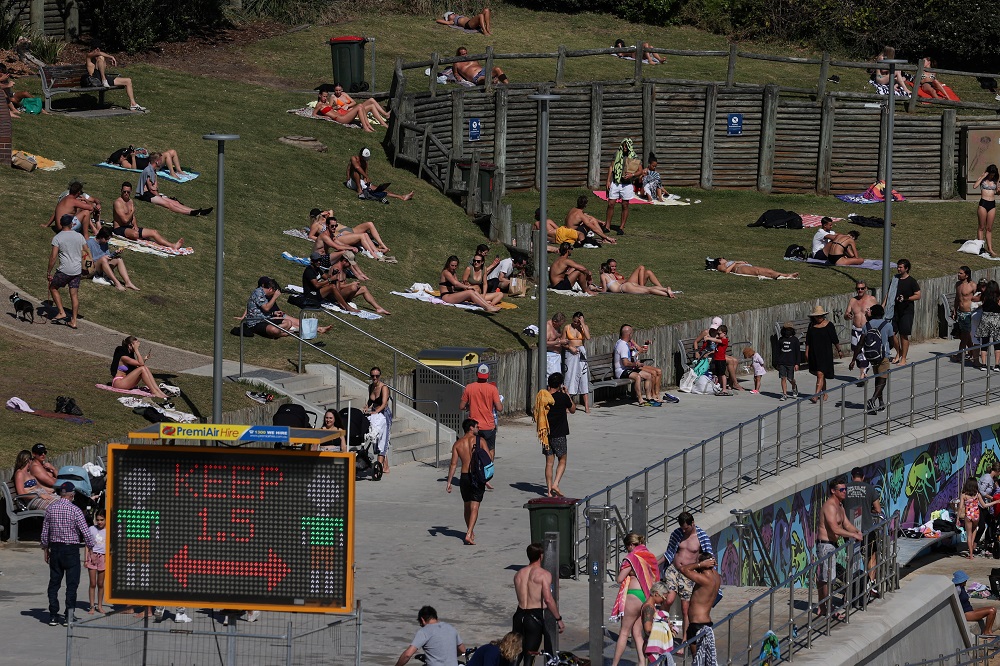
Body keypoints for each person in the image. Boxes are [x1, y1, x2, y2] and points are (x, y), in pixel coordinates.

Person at [41, 482, 96, 626]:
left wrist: (46, 549)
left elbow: (45, 531)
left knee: (54, 582)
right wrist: (91, 549)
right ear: (72, 495)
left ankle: (53, 614)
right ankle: (68, 615)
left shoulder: (50, 509)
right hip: (71, 550)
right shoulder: (75, 510)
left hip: (56, 549)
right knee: (72, 584)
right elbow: (85, 532)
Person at [657, 512, 714, 649]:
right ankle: (663, 631)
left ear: (692, 523)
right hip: (673, 570)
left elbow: (709, 556)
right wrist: (655, 563)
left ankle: (685, 639)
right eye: (682, 528)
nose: (683, 531)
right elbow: (669, 552)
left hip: (687, 574)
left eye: (686, 528)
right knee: (668, 600)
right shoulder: (677, 534)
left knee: (685, 608)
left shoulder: (701, 536)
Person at [816, 476, 863, 618]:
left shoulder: (840, 506)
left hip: (832, 545)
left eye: (845, 489)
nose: (845, 492)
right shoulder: (830, 506)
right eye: (841, 489)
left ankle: (823, 607)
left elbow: (846, 524)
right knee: (829, 578)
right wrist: (853, 535)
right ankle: (828, 609)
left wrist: (856, 531)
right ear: (833, 491)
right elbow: (835, 529)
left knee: (824, 578)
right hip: (825, 546)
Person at [513, 543, 565, 665]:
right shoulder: (543, 574)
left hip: (519, 616)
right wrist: (559, 619)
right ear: (541, 556)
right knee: (529, 656)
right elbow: (548, 599)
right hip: (533, 617)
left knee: (516, 653)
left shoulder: (518, 574)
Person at [611, 533, 659, 666]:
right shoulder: (650, 556)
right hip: (646, 595)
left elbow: (620, 579)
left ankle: (614, 664)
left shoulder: (631, 558)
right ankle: (642, 662)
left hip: (633, 594)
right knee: (637, 632)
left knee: (624, 631)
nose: (628, 550)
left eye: (627, 547)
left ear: (631, 545)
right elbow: (655, 577)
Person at [445, 419, 489, 545]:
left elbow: (453, 464)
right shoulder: (480, 441)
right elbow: (488, 460)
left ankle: (470, 530)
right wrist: (486, 479)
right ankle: (469, 533)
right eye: (476, 426)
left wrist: (449, 482)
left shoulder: (458, 444)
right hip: (477, 476)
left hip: (464, 477)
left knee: (466, 505)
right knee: (475, 506)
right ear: (471, 428)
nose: (478, 428)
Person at [243, 276, 330, 338]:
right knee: (276, 329)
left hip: (268, 317)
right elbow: (265, 308)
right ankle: (286, 332)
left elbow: (260, 309)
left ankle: (317, 328)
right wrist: (274, 297)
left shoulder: (265, 294)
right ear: (270, 289)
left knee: (290, 322)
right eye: (273, 293)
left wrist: (274, 312)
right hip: (257, 322)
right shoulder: (259, 293)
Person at [843, 467, 883, 595]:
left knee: (852, 556)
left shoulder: (845, 488)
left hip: (849, 530)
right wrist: (867, 510)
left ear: (852, 476)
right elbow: (878, 510)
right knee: (871, 555)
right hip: (866, 528)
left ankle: (851, 586)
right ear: (863, 477)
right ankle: (870, 584)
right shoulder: (870, 488)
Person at [111, 182, 185, 250]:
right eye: (124, 192)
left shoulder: (130, 201)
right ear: (121, 191)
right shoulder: (118, 203)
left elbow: (132, 217)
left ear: (131, 192)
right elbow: (125, 220)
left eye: (128, 192)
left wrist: (135, 225)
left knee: (154, 232)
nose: (126, 193)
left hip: (128, 227)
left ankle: (172, 245)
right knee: (135, 235)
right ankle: (141, 235)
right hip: (119, 228)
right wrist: (133, 211)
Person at [47, 214, 89, 329]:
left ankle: (61, 312)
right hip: (76, 270)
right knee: (74, 295)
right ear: (71, 224)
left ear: (61, 224)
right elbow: (86, 252)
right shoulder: (79, 236)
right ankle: (74, 320)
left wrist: (49, 271)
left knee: (53, 287)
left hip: (65, 270)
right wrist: (87, 267)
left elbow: (53, 257)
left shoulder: (58, 237)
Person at [136, 153, 211, 216]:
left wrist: (158, 192)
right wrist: (160, 196)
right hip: (145, 195)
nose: (162, 162)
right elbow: (152, 189)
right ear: (157, 161)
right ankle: (189, 212)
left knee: (174, 202)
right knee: (168, 204)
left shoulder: (152, 170)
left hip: (151, 193)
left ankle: (198, 211)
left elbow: (155, 186)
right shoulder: (149, 171)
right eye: (161, 160)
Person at [677, 551, 721, 657]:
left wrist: (701, 564)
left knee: (697, 659)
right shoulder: (716, 577)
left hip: (697, 624)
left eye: (697, 562)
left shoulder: (705, 579)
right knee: (706, 659)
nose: (696, 563)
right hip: (707, 623)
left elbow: (683, 569)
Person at [84, 40, 145, 111]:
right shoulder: (89, 57)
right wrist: (111, 57)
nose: (99, 50)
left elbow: (100, 56)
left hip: (104, 78)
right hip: (95, 79)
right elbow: (99, 54)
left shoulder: (99, 59)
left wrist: (106, 61)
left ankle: (133, 104)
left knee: (128, 81)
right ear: (94, 49)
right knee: (101, 57)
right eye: (97, 49)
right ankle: (104, 80)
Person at [394, 605, 466, 666]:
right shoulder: (450, 628)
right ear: (436, 617)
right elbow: (462, 650)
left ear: (422, 620)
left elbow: (407, 655)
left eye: (421, 624)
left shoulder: (424, 631)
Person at [459, 364, 503, 460]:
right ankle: (488, 470)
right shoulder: (492, 389)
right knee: (490, 449)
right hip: (488, 426)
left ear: (476, 374)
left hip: (473, 426)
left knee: (473, 449)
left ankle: (474, 470)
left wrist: (469, 406)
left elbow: (461, 406)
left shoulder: (469, 388)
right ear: (488, 374)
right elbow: (499, 408)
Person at [541, 371, 574, 497]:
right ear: (560, 384)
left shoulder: (544, 397)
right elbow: (573, 409)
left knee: (549, 462)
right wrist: (567, 394)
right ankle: (555, 483)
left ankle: (549, 491)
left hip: (546, 434)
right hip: (559, 433)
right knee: (562, 460)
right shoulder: (562, 397)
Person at [614, 324, 662, 406]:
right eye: (631, 333)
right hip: (621, 371)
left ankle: (649, 397)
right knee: (638, 376)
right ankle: (640, 399)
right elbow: (625, 363)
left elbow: (635, 353)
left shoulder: (625, 344)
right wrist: (636, 364)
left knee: (648, 375)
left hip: (628, 368)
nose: (632, 335)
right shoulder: (622, 345)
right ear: (629, 335)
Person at [346, 147, 413, 201]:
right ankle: (359, 190)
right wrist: (366, 177)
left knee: (378, 189)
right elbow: (357, 167)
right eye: (364, 158)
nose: (365, 160)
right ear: (360, 155)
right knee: (356, 171)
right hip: (351, 182)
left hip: (359, 182)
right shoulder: (354, 158)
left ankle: (401, 197)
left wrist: (367, 182)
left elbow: (365, 177)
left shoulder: (365, 163)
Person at [805, 305, 841, 402]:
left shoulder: (829, 325)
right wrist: (807, 352)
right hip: (814, 353)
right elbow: (808, 340)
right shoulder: (811, 326)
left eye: (821, 316)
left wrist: (839, 350)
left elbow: (835, 339)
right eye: (817, 316)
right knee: (820, 374)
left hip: (825, 354)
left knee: (820, 374)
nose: (819, 318)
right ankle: (824, 393)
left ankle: (816, 395)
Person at [864, 304, 894, 414]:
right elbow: (891, 342)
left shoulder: (867, 325)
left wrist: (853, 359)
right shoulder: (887, 325)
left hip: (872, 357)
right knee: (883, 380)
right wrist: (887, 349)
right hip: (883, 356)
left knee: (878, 378)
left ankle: (881, 402)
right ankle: (872, 400)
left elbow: (861, 343)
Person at [606, 138, 641, 234]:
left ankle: (621, 227)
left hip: (627, 184)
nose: (624, 147)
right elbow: (611, 167)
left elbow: (640, 171)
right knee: (611, 203)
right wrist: (608, 180)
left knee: (625, 205)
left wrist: (632, 175)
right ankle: (607, 225)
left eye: (626, 146)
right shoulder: (617, 153)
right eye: (623, 145)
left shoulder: (634, 156)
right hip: (616, 182)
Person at [891, 258, 921, 365]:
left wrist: (906, 298)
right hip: (894, 310)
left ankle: (903, 358)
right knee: (891, 333)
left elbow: (918, 295)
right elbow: (889, 293)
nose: (898, 269)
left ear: (906, 268)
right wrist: (884, 305)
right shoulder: (895, 279)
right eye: (898, 267)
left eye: (900, 267)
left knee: (903, 335)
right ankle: (898, 352)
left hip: (906, 311)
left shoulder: (911, 281)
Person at [845, 281, 878, 377]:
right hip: (856, 330)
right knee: (857, 352)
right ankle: (863, 371)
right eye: (858, 288)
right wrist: (847, 315)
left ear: (866, 289)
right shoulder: (852, 301)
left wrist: (871, 315)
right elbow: (846, 315)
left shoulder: (872, 299)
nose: (860, 290)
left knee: (864, 352)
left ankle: (862, 374)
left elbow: (879, 313)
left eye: (862, 288)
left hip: (867, 330)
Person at [364, 366, 392, 475]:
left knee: (383, 440)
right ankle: (385, 466)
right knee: (376, 439)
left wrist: (376, 411)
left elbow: (384, 404)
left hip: (384, 415)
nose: (374, 378)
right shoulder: (370, 386)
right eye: (372, 376)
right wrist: (367, 407)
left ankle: (379, 467)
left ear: (380, 376)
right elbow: (370, 401)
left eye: (377, 376)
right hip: (375, 415)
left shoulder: (384, 388)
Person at [960, 477, 997, 560]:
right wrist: (995, 502)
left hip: (968, 515)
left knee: (968, 535)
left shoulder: (964, 495)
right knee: (974, 531)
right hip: (976, 515)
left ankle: (971, 554)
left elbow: (960, 507)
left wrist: (958, 518)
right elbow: (984, 505)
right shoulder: (978, 494)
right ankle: (972, 550)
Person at [641, 582, 675, 666]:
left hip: (651, 645)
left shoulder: (652, 607)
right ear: (656, 594)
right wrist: (663, 625)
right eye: (664, 597)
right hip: (650, 645)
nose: (664, 600)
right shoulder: (648, 608)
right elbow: (648, 629)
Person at [563, 312, 591, 413]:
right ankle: (567, 405)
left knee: (583, 377)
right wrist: (570, 347)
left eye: (578, 322)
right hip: (570, 352)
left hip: (581, 352)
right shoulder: (567, 327)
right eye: (574, 321)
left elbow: (588, 337)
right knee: (569, 377)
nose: (576, 324)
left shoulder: (584, 327)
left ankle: (586, 406)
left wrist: (582, 324)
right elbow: (562, 341)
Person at [599, 262, 676, 297]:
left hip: (624, 287)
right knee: (648, 288)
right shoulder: (611, 275)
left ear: (602, 269)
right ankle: (666, 289)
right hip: (627, 285)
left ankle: (667, 294)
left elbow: (604, 290)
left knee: (647, 291)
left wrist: (595, 290)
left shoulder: (603, 275)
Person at [107, 146, 184, 179]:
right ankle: (172, 173)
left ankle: (179, 170)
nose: (123, 157)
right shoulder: (124, 163)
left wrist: (135, 153)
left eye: (123, 155)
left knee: (173, 152)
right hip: (151, 165)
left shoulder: (128, 158)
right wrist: (133, 157)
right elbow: (133, 169)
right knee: (167, 155)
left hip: (149, 160)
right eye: (121, 156)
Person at [85, 510, 107, 614]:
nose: (99, 522)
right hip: (92, 556)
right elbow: (87, 544)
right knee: (93, 583)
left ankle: (100, 605)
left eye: (102, 520)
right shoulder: (92, 529)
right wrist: (87, 558)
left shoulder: (109, 530)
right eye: (97, 520)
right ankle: (92, 606)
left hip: (103, 557)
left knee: (101, 583)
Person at [954, 267, 977, 365]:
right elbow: (957, 299)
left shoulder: (972, 285)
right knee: (963, 335)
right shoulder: (958, 284)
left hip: (969, 313)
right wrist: (954, 310)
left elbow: (978, 298)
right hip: (960, 313)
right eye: (958, 273)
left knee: (965, 335)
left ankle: (960, 353)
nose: (958, 275)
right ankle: (972, 352)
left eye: (961, 273)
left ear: (966, 275)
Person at [977, 464, 1000, 557]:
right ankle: (975, 544)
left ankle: (987, 545)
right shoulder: (987, 478)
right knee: (982, 525)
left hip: (984, 505)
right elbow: (981, 491)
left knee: (990, 524)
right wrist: (992, 498)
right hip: (980, 504)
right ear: (997, 471)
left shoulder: (991, 479)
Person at [975, 165, 998, 257]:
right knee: (981, 226)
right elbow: (975, 186)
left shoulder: (996, 181)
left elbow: (998, 191)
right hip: (983, 203)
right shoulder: (983, 179)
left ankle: (990, 249)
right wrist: (983, 176)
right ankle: (981, 248)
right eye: (991, 174)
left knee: (989, 228)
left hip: (992, 204)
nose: (992, 176)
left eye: (993, 175)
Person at [977, 280, 1000, 372]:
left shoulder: (984, 296)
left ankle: (983, 364)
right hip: (996, 320)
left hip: (985, 319)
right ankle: (997, 365)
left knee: (984, 342)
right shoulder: (998, 297)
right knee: (997, 343)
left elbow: (975, 299)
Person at [708, 257, 799, 280]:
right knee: (758, 271)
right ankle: (783, 276)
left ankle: (786, 275)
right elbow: (727, 271)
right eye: (723, 258)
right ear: (720, 260)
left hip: (743, 266)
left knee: (767, 270)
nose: (725, 259)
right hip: (740, 269)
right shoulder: (720, 265)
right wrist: (736, 263)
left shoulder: (726, 263)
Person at [775, 322, 800, 400]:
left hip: (791, 362)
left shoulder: (795, 340)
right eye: (786, 330)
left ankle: (794, 386)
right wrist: (777, 363)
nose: (787, 331)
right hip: (782, 362)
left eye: (789, 330)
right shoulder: (781, 340)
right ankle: (784, 394)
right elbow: (777, 352)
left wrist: (797, 364)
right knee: (783, 378)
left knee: (790, 378)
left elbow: (797, 353)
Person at [546, 312, 568, 377]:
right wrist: (559, 342)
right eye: (559, 325)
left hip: (557, 356)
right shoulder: (547, 327)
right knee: (553, 378)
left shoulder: (556, 326)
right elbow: (544, 343)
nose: (560, 326)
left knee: (558, 378)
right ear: (554, 321)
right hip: (550, 356)